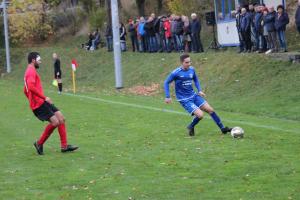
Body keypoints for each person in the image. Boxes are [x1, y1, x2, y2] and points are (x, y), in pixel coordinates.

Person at [164, 54, 232, 136]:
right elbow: (166, 82)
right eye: (187, 62)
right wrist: (167, 96)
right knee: (200, 115)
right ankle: (191, 126)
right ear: (182, 62)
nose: (189, 63)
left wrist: (199, 90)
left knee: (210, 110)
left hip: (194, 95)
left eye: (190, 61)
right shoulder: (176, 73)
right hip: (184, 99)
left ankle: (223, 129)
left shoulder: (192, 69)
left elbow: (196, 80)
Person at [24, 52, 78, 155]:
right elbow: (30, 87)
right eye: (39, 60)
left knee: (61, 118)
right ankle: (39, 143)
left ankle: (64, 146)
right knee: (55, 122)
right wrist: (41, 98)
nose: (40, 61)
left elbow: (25, 90)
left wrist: (33, 98)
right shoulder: (30, 71)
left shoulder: (30, 70)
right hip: (39, 103)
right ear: (33, 60)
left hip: (41, 101)